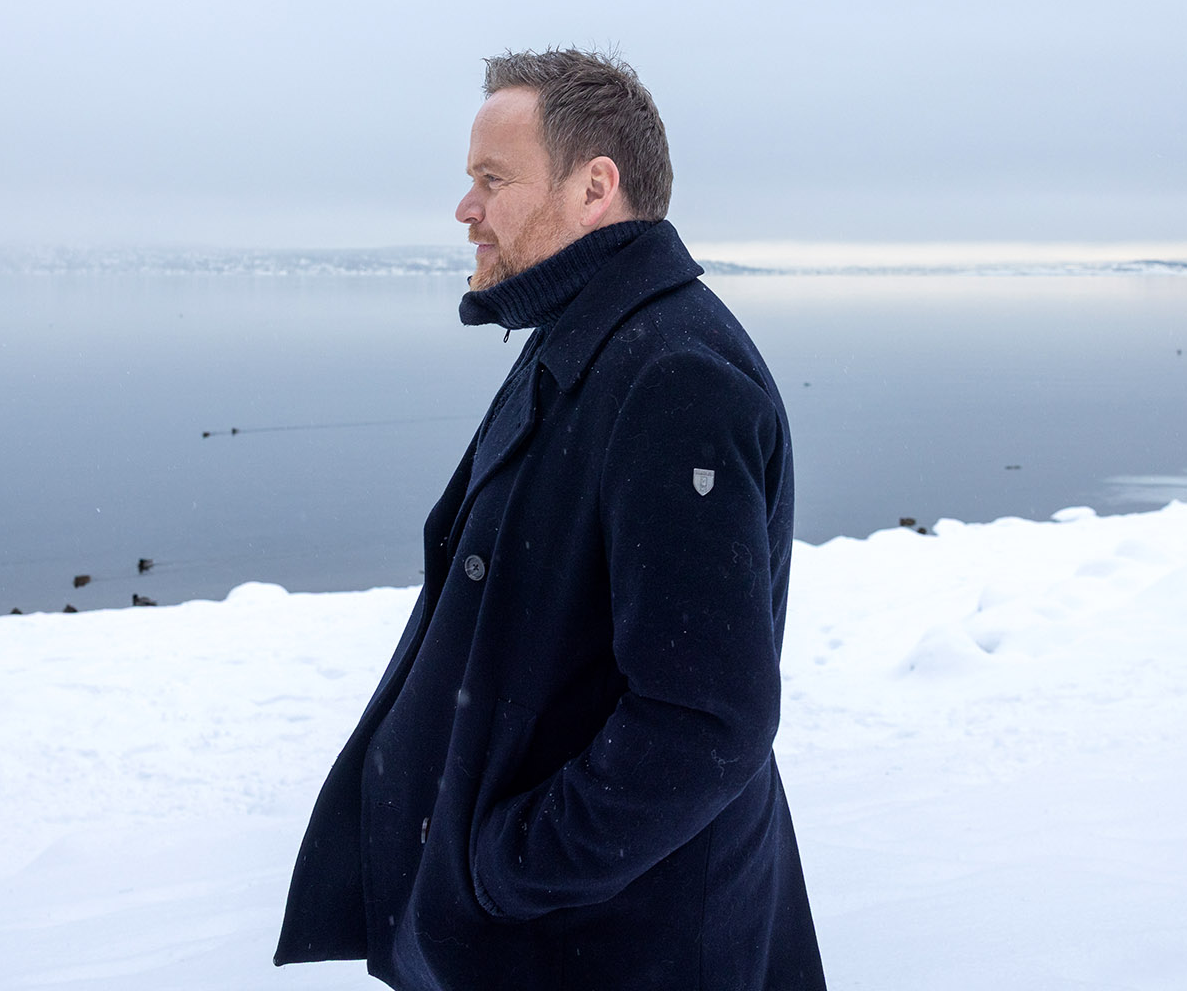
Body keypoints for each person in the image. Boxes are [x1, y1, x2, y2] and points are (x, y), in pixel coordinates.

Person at [275, 49, 824, 991]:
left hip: (617, 947)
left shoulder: (672, 377)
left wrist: (506, 867)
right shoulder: (591, 341)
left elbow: (706, 721)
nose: (466, 208)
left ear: (594, 188)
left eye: (493, 180)